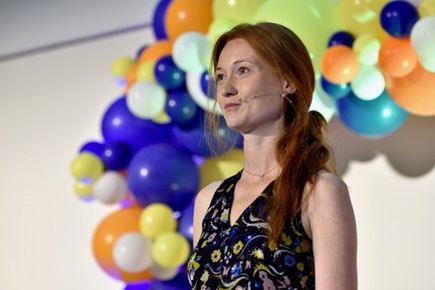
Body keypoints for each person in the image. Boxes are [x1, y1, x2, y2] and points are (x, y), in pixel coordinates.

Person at [186, 22, 357, 290]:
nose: (226, 89)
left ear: (287, 81)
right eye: (220, 76)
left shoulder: (318, 192)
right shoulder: (207, 200)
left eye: (242, 71)